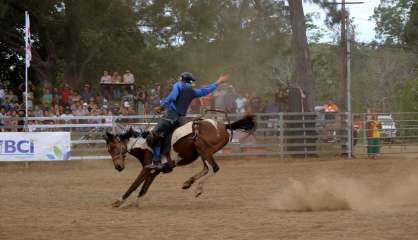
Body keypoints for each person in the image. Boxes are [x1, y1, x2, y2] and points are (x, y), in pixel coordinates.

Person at [146, 72, 228, 170]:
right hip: (182, 119)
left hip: (171, 116)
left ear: (182, 79)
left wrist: (162, 106)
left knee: (155, 134)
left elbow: (172, 97)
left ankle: (156, 161)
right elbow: (205, 91)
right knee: (169, 135)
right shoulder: (193, 91)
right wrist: (218, 82)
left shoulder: (178, 85)